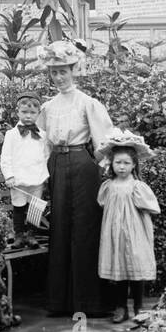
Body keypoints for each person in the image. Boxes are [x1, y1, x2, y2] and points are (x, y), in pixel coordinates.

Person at [37, 40, 114, 317]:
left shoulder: (87, 104)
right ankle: (60, 302)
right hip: (57, 164)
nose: (58, 77)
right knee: (59, 229)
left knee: (84, 229)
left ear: (73, 70)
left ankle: (89, 302)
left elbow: (104, 141)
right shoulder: (47, 107)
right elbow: (42, 144)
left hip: (82, 166)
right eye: (54, 72)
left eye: (63, 71)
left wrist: (107, 170)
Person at [96, 129, 160, 323]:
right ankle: (120, 306)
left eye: (126, 163)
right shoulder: (108, 186)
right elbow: (103, 203)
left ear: (133, 165)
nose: (122, 167)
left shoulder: (137, 187)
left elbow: (152, 207)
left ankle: (139, 307)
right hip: (115, 232)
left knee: (135, 266)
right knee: (120, 268)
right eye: (118, 162)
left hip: (135, 231)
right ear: (112, 164)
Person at [0, 91, 50, 244]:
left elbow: (46, 156)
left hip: (37, 178)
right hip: (18, 179)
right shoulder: (11, 134)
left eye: (32, 113)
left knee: (35, 208)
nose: (28, 116)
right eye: (24, 112)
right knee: (19, 208)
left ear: (38, 114)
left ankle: (32, 235)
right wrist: (9, 176)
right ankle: (19, 235)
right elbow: (6, 157)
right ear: (18, 112)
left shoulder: (43, 135)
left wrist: (45, 176)